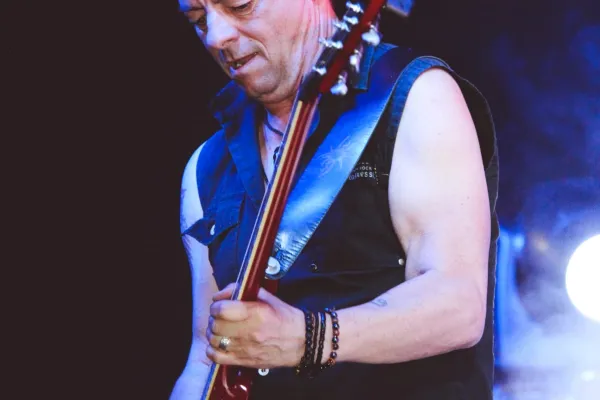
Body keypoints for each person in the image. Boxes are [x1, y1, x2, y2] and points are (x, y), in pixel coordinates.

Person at [171, 0, 499, 399]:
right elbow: (206, 358)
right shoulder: (205, 167)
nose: (216, 36)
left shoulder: (417, 98)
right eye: (198, 20)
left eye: (240, 5)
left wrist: (307, 339)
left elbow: (458, 303)